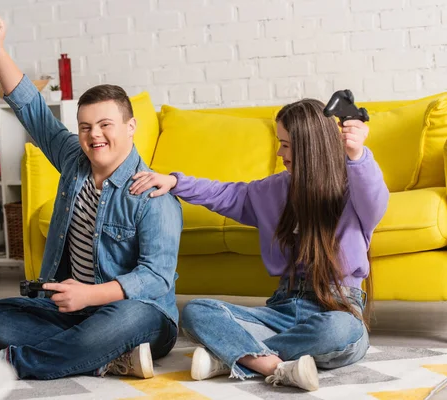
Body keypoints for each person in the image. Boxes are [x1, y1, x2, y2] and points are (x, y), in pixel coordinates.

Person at [129, 99, 389, 391]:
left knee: (344, 330)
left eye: (287, 145)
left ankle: (232, 355)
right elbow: (224, 194)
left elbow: (374, 193)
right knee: (196, 311)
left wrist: (357, 154)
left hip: (336, 306)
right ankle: (268, 364)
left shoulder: (354, 190)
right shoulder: (273, 190)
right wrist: (175, 182)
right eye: (281, 143)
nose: (280, 153)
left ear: (310, 146)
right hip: (281, 310)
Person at [0, 15, 182, 380]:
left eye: (106, 125)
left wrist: (90, 296)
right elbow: (33, 111)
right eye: (85, 127)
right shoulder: (74, 161)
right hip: (76, 313)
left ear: (130, 127)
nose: (94, 136)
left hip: (138, 313)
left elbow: (156, 279)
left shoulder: (153, 194)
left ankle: (19, 363)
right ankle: (106, 357)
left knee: (128, 317)